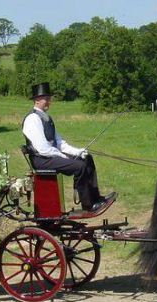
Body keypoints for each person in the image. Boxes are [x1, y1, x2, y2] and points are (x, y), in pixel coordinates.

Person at [22, 82, 115, 212]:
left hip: (50, 156)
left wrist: (78, 151)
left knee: (87, 159)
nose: (49, 102)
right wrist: (64, 157)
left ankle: (95, 198)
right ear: (37, 100)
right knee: (79, 166)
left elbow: (59, 143)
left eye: (49, 99)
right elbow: (43, 148)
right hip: (42, 160)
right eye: (46, 99)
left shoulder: (46, 118)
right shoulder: (33, 119)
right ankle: (88, 205)